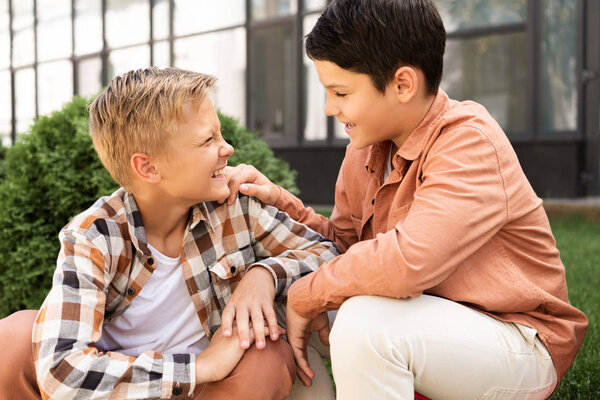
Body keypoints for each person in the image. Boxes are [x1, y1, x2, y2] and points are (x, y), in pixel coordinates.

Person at [223, 0, 589, 399]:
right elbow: (343, 250)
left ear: (402, 84)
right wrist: (278, 200)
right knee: (266, 317)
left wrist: (307, 293)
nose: (330, 109)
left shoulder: (469, 141)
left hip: (517, 341)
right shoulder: (364, 149)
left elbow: (407, 263)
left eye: (340, 92)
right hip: (419, 322)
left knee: (364, 321)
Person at [0, 67, 340, 400]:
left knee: (266, 357)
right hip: (131, 386)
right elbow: (62, 372)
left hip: (212, 392)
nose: (228, 149)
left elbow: (327, 253)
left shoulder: (236, 206)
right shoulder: (95, 237)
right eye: (208, 140)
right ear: (148, 167)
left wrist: (265, 275)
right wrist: (198, 367)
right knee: (13, 339)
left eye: (219, 134)